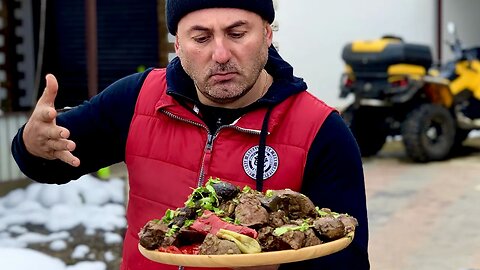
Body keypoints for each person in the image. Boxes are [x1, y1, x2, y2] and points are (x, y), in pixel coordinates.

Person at [11, 0, 370, 269]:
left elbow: (347, 259)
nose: (220, 54)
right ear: (178, 45)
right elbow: (51, 166)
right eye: (200, 37)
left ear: (267, 34)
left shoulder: (321, 130)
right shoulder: (136, 99)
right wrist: (31, 142)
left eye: (237, 33)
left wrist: (268, 259)